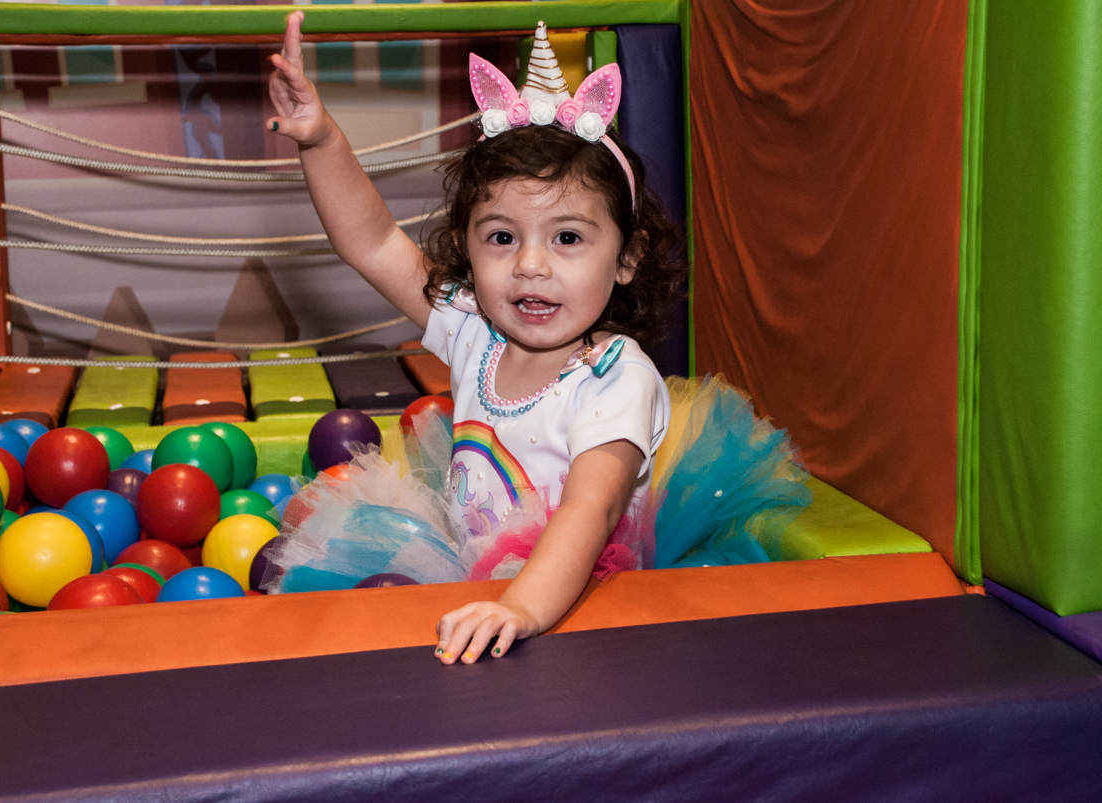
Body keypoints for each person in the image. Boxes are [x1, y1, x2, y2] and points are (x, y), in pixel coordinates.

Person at [263, 13, 805, 665]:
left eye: (568, 238)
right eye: (501, 237)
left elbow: (590, 509)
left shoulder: (614, 378)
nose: (530, 265)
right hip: (470, 569)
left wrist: (521, 606)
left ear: (626, 258)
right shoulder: (474, 330)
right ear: (466, 245)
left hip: (578, 594)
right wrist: (320, 140)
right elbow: (375, 242)